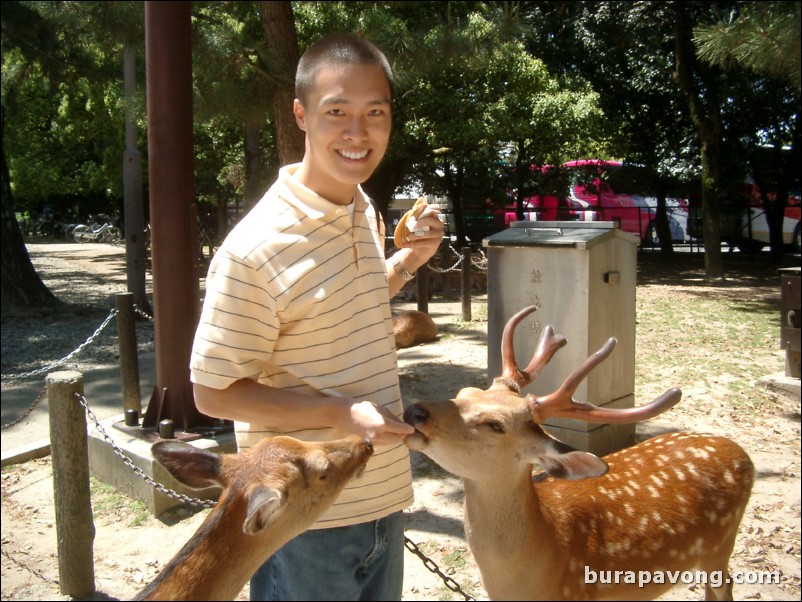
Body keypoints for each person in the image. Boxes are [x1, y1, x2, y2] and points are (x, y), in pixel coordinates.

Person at [189, 32, 444, 601]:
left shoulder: (359, 205)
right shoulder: (254, 250)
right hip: (302, 520)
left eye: (374, 112)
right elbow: (212, 392)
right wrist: (343, 413)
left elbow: (340, 305)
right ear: (301, 114)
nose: (358, 133)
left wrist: (405, 262)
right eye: (338, 112)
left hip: (381, 495)